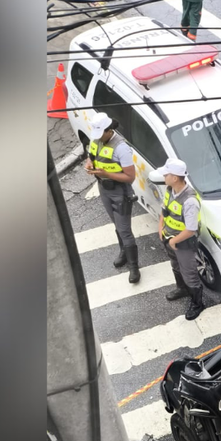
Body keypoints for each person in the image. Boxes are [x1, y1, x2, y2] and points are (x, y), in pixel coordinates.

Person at [83, 112, 142, 283]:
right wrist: (89, 163)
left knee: (124, 229)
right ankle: (123, 251)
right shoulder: (96, 140)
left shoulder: (121, 148)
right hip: (104, 188)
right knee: (116, 224)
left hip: (119, 192)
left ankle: (134, 266)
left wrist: (106, 173)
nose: (98, 138)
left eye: (101, 134)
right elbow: (91, 155)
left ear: (109, 130)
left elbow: (130, 177)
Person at [152, 159, 209, 321]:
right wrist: (161, 226)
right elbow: (166, 210)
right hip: (170, 237)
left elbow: (190, 230)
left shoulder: (190, 201)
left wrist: (174, 241)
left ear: (175, 177)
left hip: (182, 243)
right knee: (175, 265)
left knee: (189, 272)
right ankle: (182, 289)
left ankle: (198, 303)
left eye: (166, 173)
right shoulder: (170, 189)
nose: (163, 175)